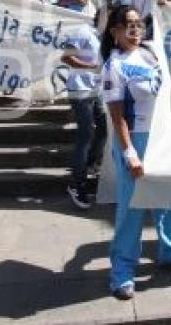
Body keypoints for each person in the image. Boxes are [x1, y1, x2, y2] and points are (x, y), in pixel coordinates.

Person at [102, 5, 171, 300]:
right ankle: (122, 272)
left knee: (168, 200)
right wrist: (129, 152)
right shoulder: (113, 65)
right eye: (127, 24)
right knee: (131, 208)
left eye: (138, 23)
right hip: (134, 140)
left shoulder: (152, 53)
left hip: (161, 138)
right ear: (114, 31)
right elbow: (117, 116)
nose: (134, 28)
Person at [62, 21, 107, 209]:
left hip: (97, 91)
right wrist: (91, 67)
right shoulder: (83, 31)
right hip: (79, 90)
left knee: (104, 129)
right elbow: (66, 57)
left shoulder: (106, 36)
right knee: (86, 133)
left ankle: (88, 165)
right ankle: (76, 184)